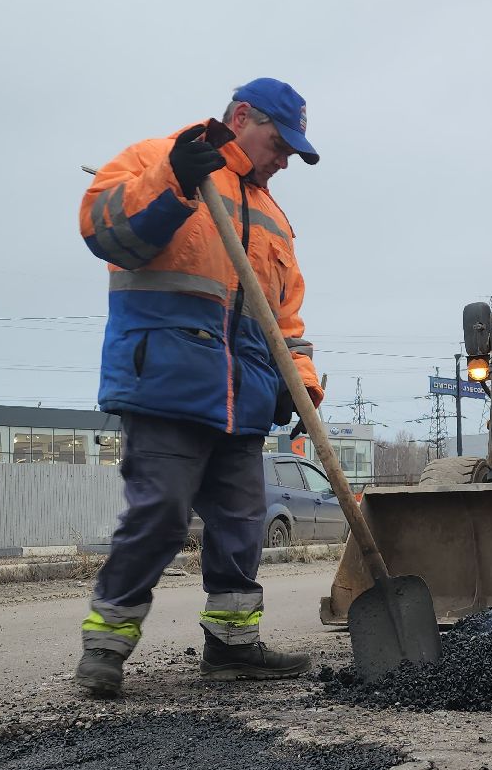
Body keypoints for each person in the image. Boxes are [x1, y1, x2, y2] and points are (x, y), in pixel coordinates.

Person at [73, 77, 325, 697]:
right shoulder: (156, 159)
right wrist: (176, 183)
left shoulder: (273, 216)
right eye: (279, 141)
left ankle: (233, 647)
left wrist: (302, 385)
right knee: (159, 514)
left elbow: (284, 317)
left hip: (247, 397)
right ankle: (106, 646)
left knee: (243, 521)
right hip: (166, 384)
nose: (285, 158)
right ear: (241, 117)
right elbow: (106, 232)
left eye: (294, 149)